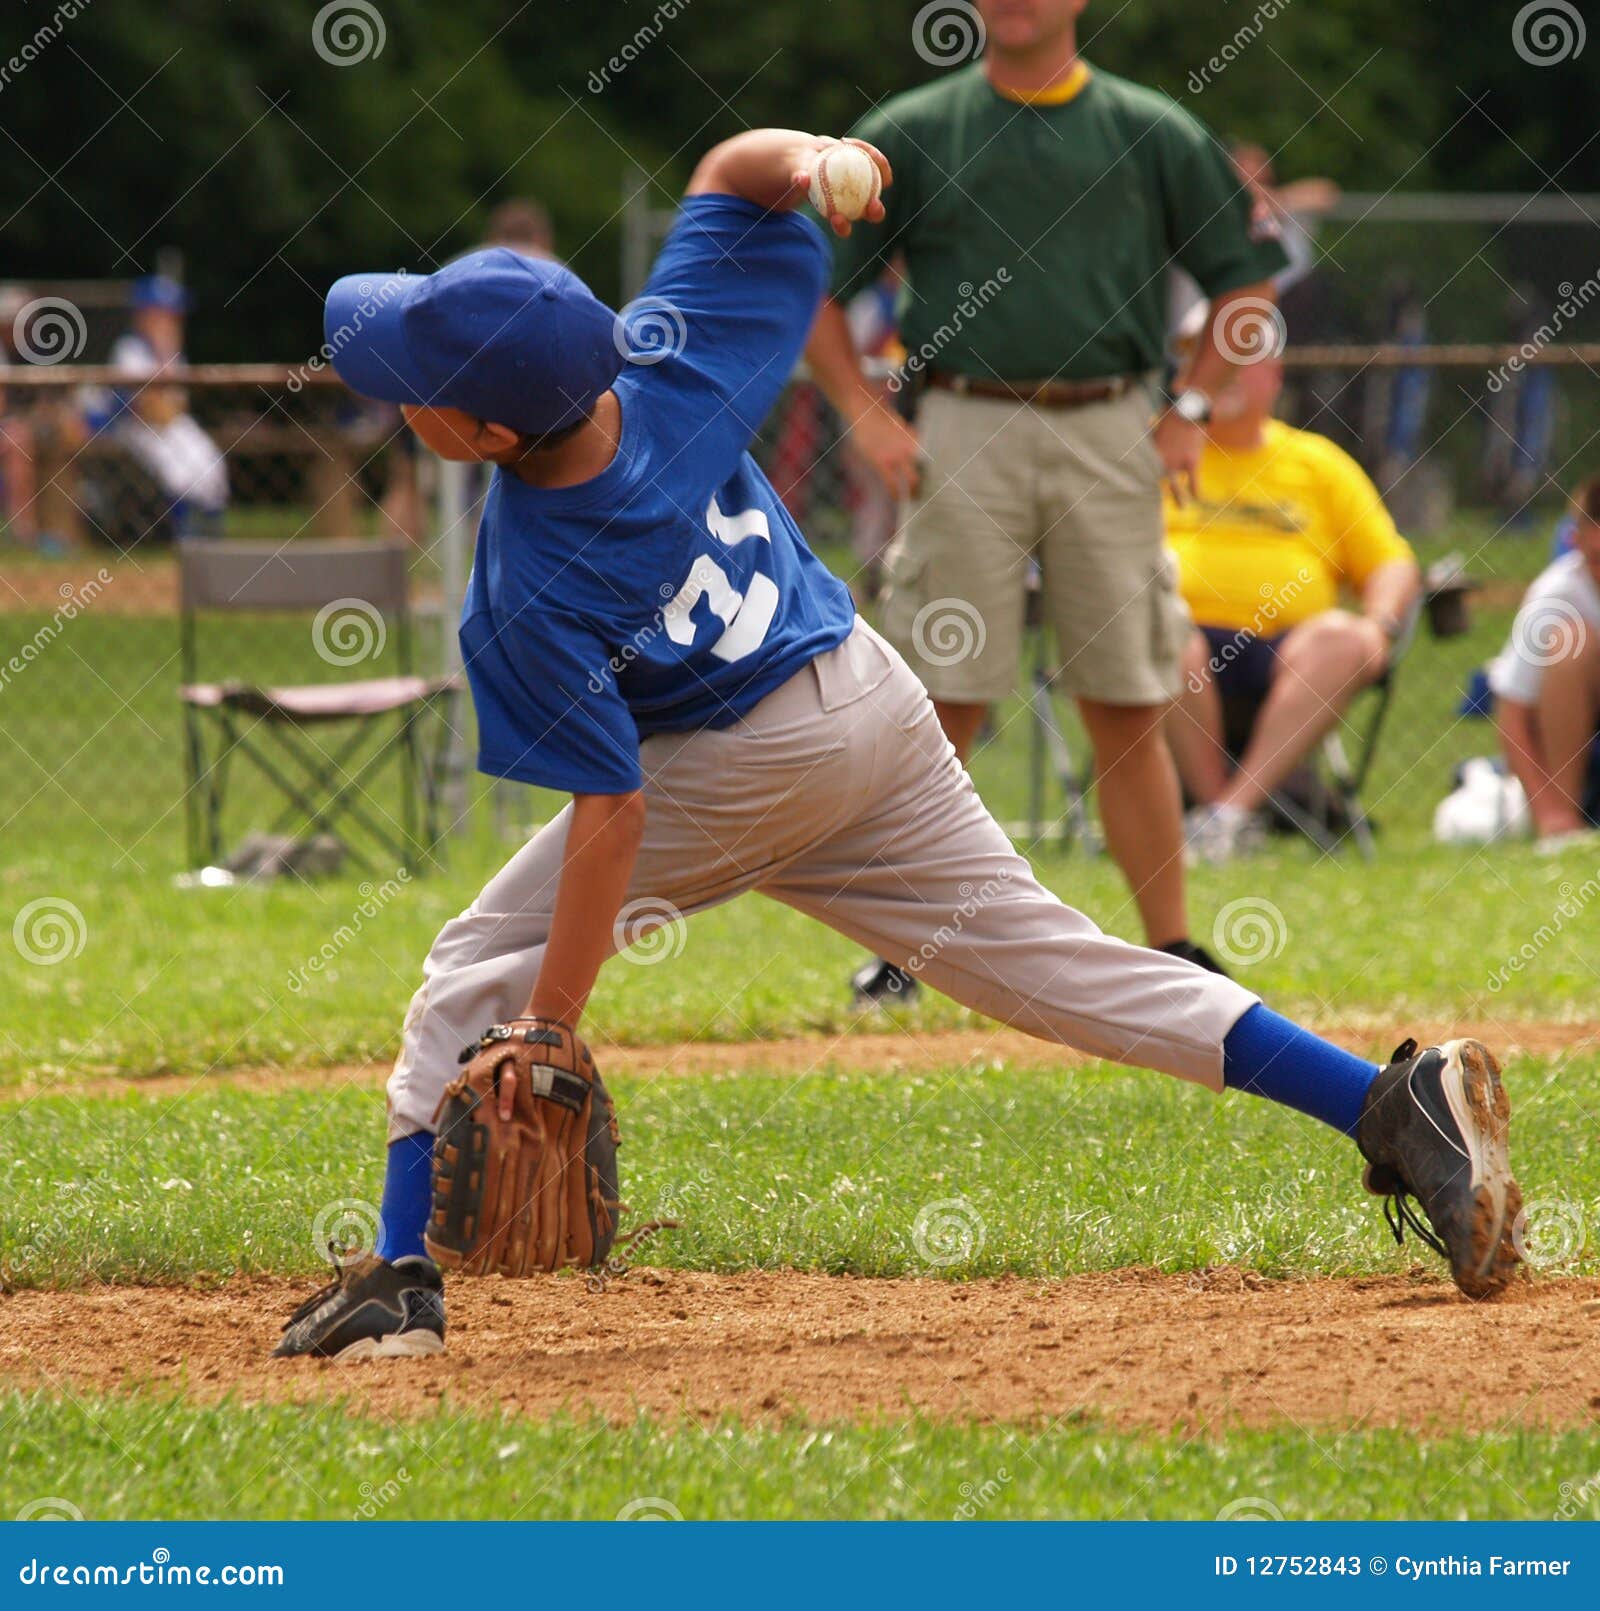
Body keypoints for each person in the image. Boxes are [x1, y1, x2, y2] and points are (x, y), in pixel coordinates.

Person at [271, 126, 1519, 1361]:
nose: (392, 393)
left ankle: (399, 1277)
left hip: (744, 758)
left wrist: (549, 1021)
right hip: (867, 699)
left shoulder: (523, 583)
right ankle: (1384, 1101)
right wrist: (812, 160)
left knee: (472, 962)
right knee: (1064, 969)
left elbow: (615, 815)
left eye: (412, 387)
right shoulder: (662, 358)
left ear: (488, 435)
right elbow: (724, 171)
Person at [804, 0, 1289, 1004]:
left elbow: (1245, 287)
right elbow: (810, 285)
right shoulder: (914, 128)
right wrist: (862, 411)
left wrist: (1189, 408)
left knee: (1126, 697)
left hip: (1111, 421)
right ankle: (907, 948)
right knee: (940, 698)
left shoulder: (1149, 128)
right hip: (962, 418)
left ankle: (1173, 947)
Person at [1164, 307, 1421, 861]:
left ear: (1274, 372)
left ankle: (1228, 817)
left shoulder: (1318, 463)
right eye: (1202, 356)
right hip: (1173, 644)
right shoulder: (1159, 455)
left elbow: (1391, 563)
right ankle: (1212, 817)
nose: (1223, 369)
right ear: (1184, 376)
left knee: (1346, 636)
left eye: (1240, 354)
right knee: (1159, 629)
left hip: (1289, 653)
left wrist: (1380, 623)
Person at [1491, 476, 1600, 852]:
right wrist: (1549, 813)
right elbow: (1512, 716)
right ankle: (1565, 824)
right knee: (1574, 641)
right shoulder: (1556, 595)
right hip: (1583, 755)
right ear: (1576, 540)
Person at [107, 274, 227, 538]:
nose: (172, 322)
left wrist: (165, 357)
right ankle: (183, 536)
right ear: (144, 316)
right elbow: (147, 408)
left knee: (212, 464)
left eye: (174, 316)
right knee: (178, 469)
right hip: (135, 429)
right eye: (165, 314)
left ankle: (211, 537)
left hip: (171, 426)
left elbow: (176, 406)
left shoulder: (173, 353)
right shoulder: (130, 350)